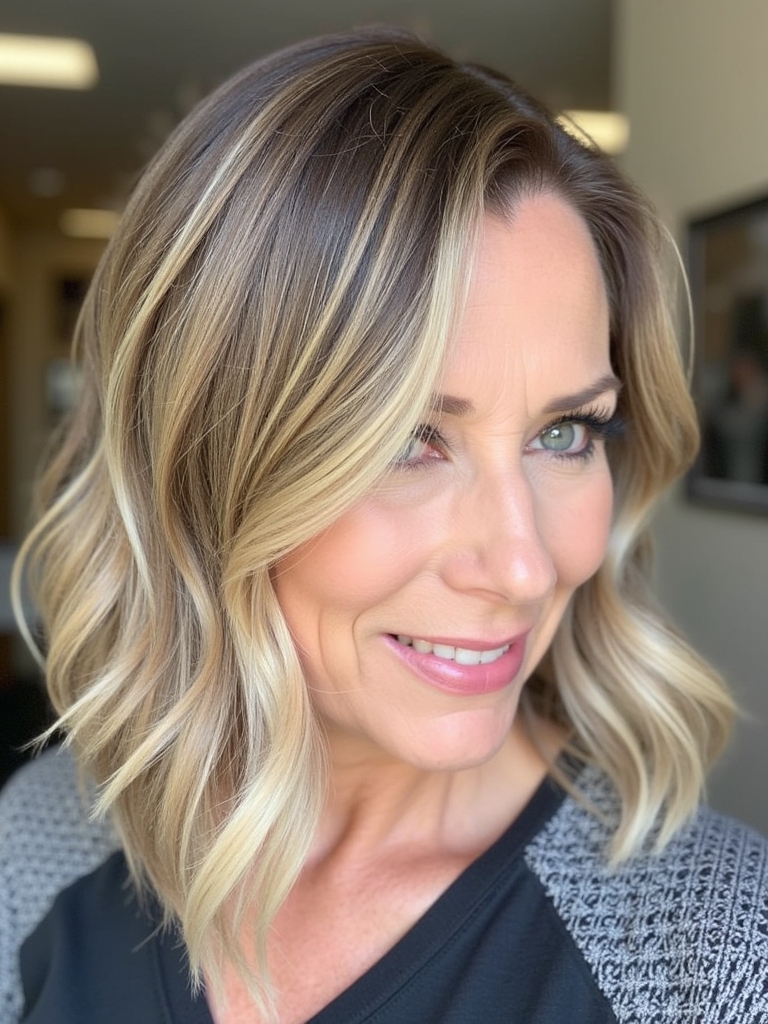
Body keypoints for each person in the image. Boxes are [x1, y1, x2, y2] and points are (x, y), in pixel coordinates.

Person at [1, 26, 766, 1024]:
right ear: (204, 468)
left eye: (566, 432)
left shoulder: (712, 954)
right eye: (409, 439)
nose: (525, 566)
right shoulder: (43, 842)